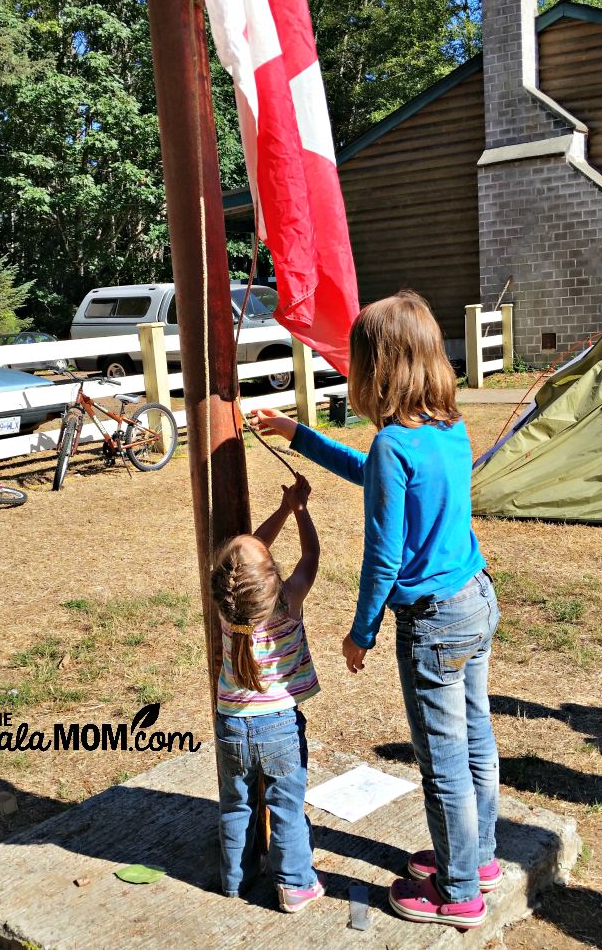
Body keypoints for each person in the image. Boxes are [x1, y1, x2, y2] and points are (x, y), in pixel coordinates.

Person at [252, 290, 501, 932]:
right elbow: (375, 474)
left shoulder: (396, 442)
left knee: (442, 760)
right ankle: (480, 858)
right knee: (475, 740)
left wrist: (361, 632)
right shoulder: (447, 426)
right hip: (475, 601)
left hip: (433, 624)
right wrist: (299, 435)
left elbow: (382, 558)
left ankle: (458, 892)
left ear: (378, 369)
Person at [211, 473, 326, 913]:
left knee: (236, 804)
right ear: (274, 580)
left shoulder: (225, 606)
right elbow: (311, 554)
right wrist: (299, 510)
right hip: (279, 724)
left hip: (230, 723)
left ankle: (234, 879)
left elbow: (246, 555)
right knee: (286, 806)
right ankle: (295, 884)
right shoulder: (289, 599)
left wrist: (280, 510)